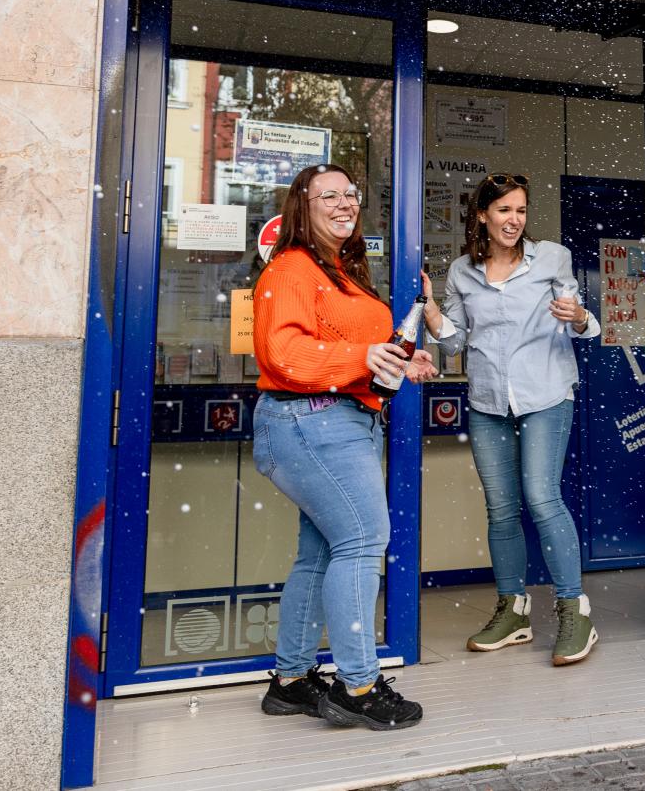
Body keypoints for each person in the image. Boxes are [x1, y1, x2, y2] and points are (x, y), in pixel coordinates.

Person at [251, 163, 436, 731]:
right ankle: (357, 686)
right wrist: (361, 360)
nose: (342, 203)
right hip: (311, 422)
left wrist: (399, 362)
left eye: (350, 195)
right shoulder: (291, 269)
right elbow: (281, 353)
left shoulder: (340, 273)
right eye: (327, 195)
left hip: (339, 421)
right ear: (301, 205)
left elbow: (353, 349)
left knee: (323, 553)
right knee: (361, 540)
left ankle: (291, 681)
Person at [422, 172, 603, 667]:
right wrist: (434, 312)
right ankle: (514, 610)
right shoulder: (462, 270)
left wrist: (579, 316)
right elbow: (456, 342)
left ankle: (574, 610)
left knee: (542, 498)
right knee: (502, 510)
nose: (513, 220)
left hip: (545, 394)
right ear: (482, 214)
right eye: (504, 210)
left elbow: (587, 324)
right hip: (487, 402)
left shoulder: (552, 258)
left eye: (521, 210)